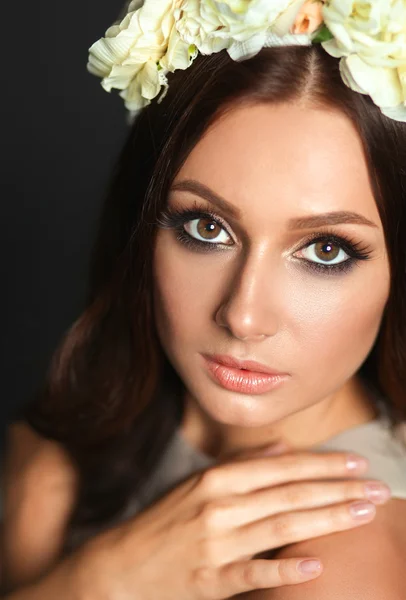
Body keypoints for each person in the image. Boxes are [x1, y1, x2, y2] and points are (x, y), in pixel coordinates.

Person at [2, 1, 406, 598]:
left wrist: (90, 586)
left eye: (325, 250)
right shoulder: (63, 451)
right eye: (207, 228)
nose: (243, 317)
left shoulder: (332, 566)